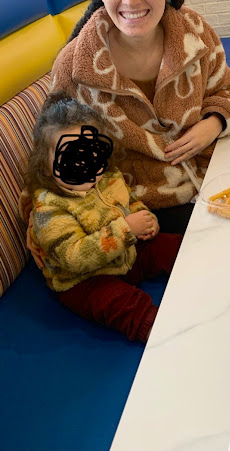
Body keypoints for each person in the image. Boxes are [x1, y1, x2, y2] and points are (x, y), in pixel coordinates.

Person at [49, 0, 230, 234]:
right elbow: (50, 150)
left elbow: (227, 90)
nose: (131, 2)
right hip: (140, 212)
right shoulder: (74, 64)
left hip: (218, 175)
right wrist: (46, 219)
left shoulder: (195, 30)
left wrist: (214, 123)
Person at [23, 92, 183, 342]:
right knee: (120, 302)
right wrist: (126, 230)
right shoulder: (49, 207)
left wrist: (145, 218)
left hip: (127, 256)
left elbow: (129, 200)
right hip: (84, 280)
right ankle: (163, 334)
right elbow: (74, 257)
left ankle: (203, 268)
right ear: (45, 165)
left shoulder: (108, 177)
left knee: (169, 246)